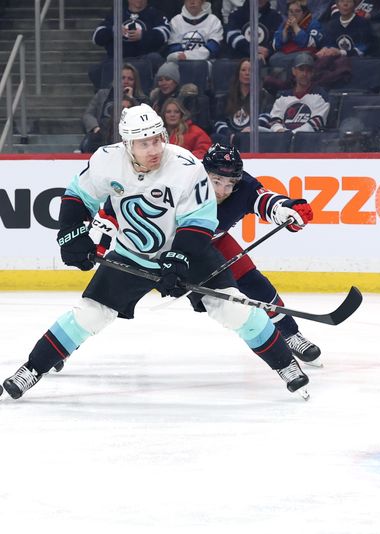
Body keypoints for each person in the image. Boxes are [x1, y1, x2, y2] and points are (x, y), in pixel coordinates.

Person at [1, 103, 314, 401]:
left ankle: (285, 364)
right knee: (89, 314)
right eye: (143, 142)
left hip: (192, 253)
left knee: (236, 310)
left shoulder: (187, 167)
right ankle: (31, 368)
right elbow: (78, 196)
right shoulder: (106, 161)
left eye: (157, 139)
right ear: (127, 144)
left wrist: (177, 260)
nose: (153, 149)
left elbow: (200, 222)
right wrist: (72, 236)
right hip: (130, 252)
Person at [201, 144, 322, 364]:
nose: (222, 190)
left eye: (230, 184)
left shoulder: (243, 187)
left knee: (254, 283)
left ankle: (290, 334)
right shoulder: (185, 183)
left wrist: (287, 209)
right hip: (173, 246)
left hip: (214, 242)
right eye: (216, 181)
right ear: (202, 172)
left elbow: (265, 201)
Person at [90, 0, 171, 89]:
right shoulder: (116, 14)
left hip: (145, 57)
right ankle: (107, 99)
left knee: (156, 59)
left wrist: (143, 35)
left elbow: (165, 34)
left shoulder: (155, 14)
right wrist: (112, 31)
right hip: (117, 58)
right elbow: (96, 37)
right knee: (96, 69)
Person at [81, 63, 149, 153]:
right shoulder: (102, 94)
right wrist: (96, 128)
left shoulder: (141, 100)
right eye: (123, 78)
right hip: (102, 134)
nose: (126, 81)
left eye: (130, 79)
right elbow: (88, 115)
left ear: (135, 82)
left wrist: (131, 99)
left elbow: (142, 120)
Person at [212, 59, 274, 145]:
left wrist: (251, 129)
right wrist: (230, 135)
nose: (247, 73)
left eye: (250, 70)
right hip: (230, 139)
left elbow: (267, 116)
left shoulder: (265, 97)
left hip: (253, 138)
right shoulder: (225, 98)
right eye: (243, 70)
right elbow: (219, 122)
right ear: (238, 74)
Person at [267, 53, 331, 132]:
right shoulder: (283, 97)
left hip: (308, 141)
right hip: (282, 140)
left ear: (312, 73)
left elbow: (316, 123)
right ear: (294, 71)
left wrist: (291, 134)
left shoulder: (321, 95)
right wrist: (280, 130)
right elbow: (275, 120)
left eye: (308, 70)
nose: (305, 74)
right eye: (301, 69)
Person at [270, 0, 325, 71]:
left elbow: (312, 44)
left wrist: (296, 27)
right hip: (287, 54)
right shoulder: (284, 24)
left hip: (305, 54)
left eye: (297, 11)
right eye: (290, 11)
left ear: (304, 13)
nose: (293, 14)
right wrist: (284, 32)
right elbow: (275, 45)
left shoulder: (313, 23)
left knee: (303, 58)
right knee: (273, 59)